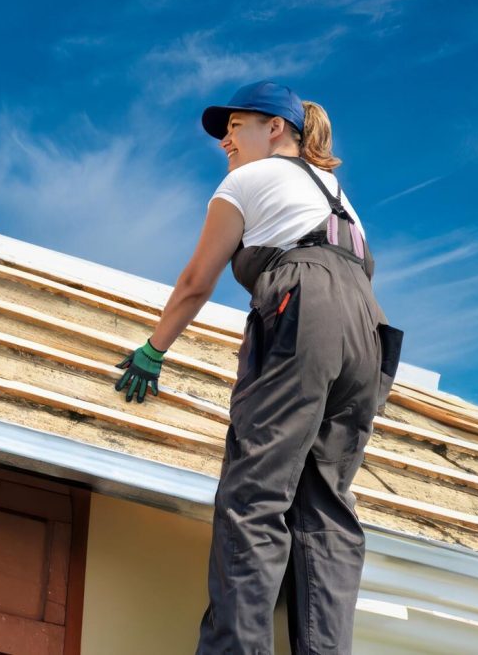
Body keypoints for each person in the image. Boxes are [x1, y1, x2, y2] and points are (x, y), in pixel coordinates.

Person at [114, 80, 402, 655]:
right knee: (325, 505)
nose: (225, 141)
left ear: (277, 129)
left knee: (255, 494)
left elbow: (198, 280)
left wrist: (154, 348)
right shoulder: (339, 195)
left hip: (308, 309)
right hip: (368, 332)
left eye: (235, 126)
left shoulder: (246, 179)